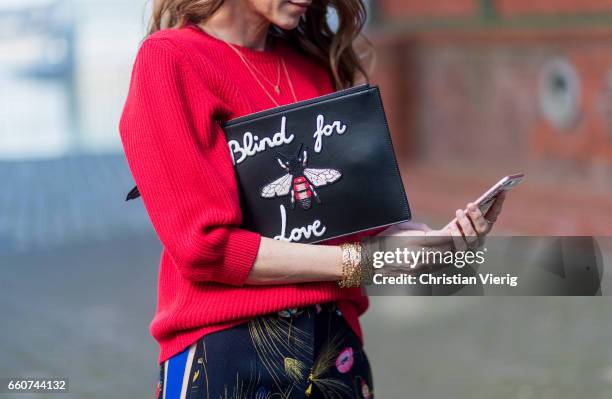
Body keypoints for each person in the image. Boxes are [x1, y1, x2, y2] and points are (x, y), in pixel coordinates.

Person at [119, 0, 506, 397]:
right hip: (231, 349)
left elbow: (345, 223)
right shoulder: (170, 60)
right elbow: (205, 247)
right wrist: (360, 262)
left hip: (335, 344)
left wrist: (424, 241)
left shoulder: (312, 68)